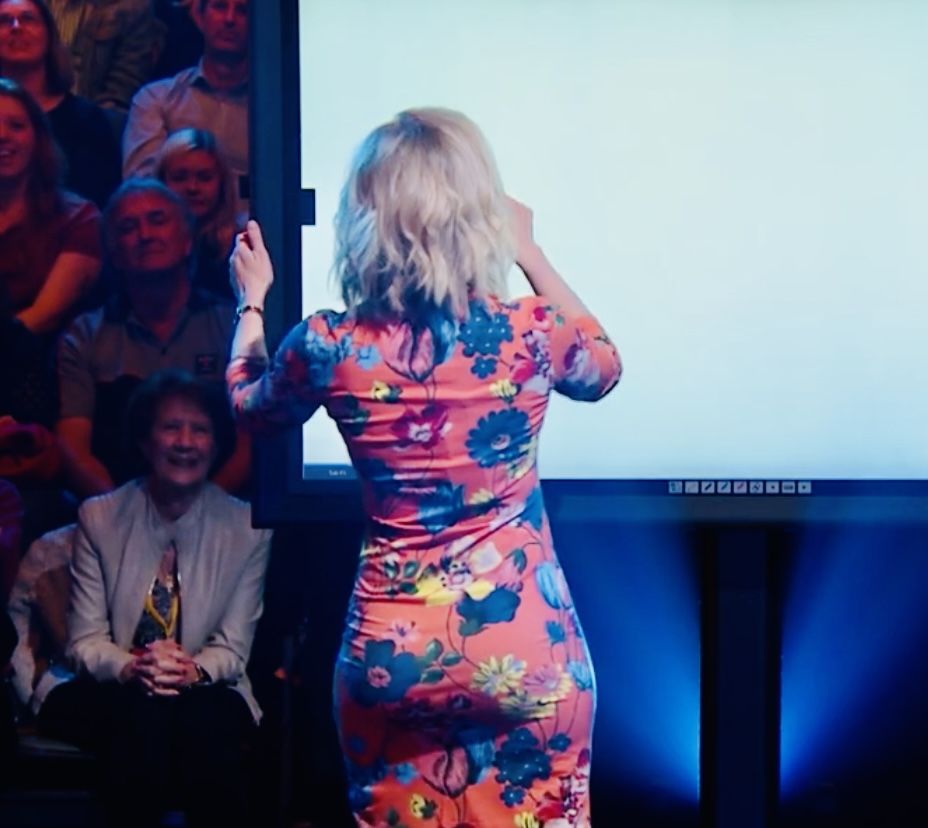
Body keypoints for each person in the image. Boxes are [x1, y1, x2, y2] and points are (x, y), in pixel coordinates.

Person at [226, 108, 622, 827]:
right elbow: (603, 366)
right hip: (523, 646)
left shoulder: (330, 343)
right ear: (478, 218)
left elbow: (251, 407)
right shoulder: (531, 331)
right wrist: (529, 252)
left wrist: (251, 303)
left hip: (393, 652)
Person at [66, 369, 272, 828]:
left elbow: (233, 648)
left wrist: (190, 671)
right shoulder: (99, 517)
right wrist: (132, 667)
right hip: (120, 684)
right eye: (171, 428)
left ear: (216, 445)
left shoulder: (248, 528)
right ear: (145, 441)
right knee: (141, 719)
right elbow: (84, 641)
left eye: (200, 430)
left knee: (205, 721)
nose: (185, 442)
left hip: (208, 685)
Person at [56, 178, 251, 499]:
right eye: (128, 227)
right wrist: (124, 515)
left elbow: (252, 443)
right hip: (114, 512)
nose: (145, 235)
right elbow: (73, 447)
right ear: (114, 253)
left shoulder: (234, 325)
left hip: (223, 510)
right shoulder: (84, 335)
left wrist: (203, 513)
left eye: (157, 221)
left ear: (187, 241)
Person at [122, 0, 248, 212]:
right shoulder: (155, 99)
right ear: (199, 16)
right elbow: (143, 191)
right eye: (220, 6)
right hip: (177, 229)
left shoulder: (278, 113)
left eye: (242, 11)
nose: (229, 19)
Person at [0, 78, 102, 337]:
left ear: (38, 138)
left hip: (38, 354)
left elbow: (43, 317)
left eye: (16, 126)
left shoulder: (79, 220)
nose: (2, 136)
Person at [0, 0, 122, 208]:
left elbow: (100, 200)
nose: (16, 27)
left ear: (49, 36)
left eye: (28, 19)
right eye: (4, 21)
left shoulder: (87, 120)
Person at [155, 126, 241, 299]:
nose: (192, 188)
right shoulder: (148, 244)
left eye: (204, 178)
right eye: (180, 177)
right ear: (161, 182)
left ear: (222, 184)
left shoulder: (240, 247)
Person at [46, 0, 162, 113]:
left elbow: (123, 87)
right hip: (39, 108)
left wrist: (92, 118)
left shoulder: (133, 6)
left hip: (92, 113)